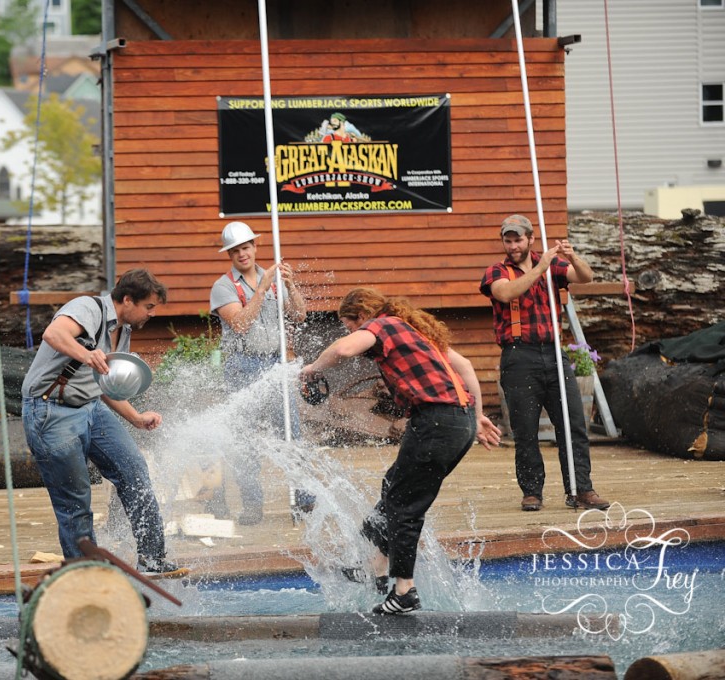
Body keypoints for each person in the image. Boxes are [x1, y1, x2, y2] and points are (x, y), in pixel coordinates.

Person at [299, 289, 502, 614]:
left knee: (404, 507)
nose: (350, 332)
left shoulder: (382, 325)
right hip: (457, 423)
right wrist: (475, 416)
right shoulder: (415, 331)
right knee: (394, 488)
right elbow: (464, 367)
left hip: (435, 424)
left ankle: (404, 591)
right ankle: (377, 568)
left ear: (360, 316)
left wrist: (312, 369)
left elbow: (344, 348)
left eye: (349, 324)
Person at [21, 268, 182, 575]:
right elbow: (53, 334)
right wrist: (85, 354)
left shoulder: (125, 332)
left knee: (135, 472)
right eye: (148, 307)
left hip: (92, 407)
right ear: (126, 300)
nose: (151, 314)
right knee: (75, 500)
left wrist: (135, 417)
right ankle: (87, 574)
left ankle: (152, 558)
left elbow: (105, 385)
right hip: (51, 411)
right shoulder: (88, 307)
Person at [479, 214, 611, 513]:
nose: (512, 245)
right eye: (508, 240)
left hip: (554, 353)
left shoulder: (554, 265)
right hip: (518, 356)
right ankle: (532, 492)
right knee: (525, 430)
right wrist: (541, 266)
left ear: (530, 239)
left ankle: (581, 489)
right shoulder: (496, 271)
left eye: (518, 239)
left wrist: (572, 257)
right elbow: (506, 292)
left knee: (573, 424)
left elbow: (586, 277)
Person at [209, 221, 313, 525]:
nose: (242, 253)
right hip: (243, 367)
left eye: (246, 247)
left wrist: (290, 286)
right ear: (229, 254)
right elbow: (240, 323)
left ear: (255, 247)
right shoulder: (223, 286)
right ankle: (253, 506)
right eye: (236, 250)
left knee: (291, 433)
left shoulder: (277, 279)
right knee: (244, 440)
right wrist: (263, 287)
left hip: (275, 363)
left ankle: (304, 501)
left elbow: (299, 315)